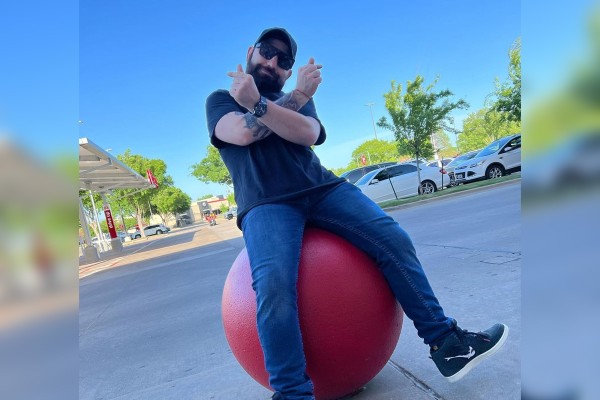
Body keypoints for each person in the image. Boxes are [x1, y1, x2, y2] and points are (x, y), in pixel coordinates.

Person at [206, 27, 508, 400]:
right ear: (251, 51)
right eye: (267, 51)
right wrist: (281, 99)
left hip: (322, 190)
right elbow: (241, 133)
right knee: (273, 286)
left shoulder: (293, 101)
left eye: (284, 59)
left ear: (289, 71)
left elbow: (307, 134)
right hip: (266, 203)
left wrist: (270, 103)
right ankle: (292, 393)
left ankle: (448, 344)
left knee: (394, 239)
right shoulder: (221, 99)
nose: (272, 61)